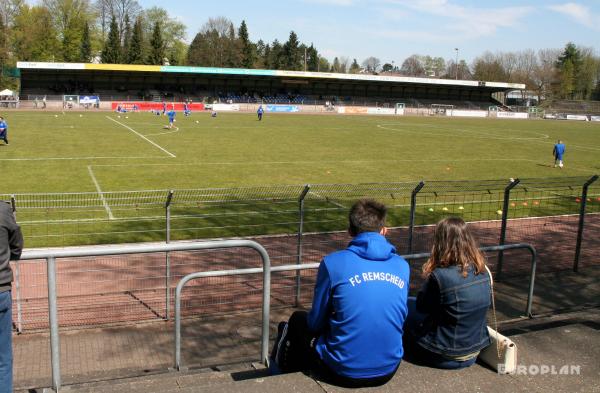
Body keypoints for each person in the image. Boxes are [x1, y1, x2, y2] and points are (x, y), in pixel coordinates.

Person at [271, 199, 410, 387]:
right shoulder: (402, 266)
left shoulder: (333, 263)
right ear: (384, 230)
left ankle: (277, 376)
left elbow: (315, 323)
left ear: (350, 231)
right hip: (389, 368)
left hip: (342, 370)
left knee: (296, 321)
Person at [403, 217, 490, 369]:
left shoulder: (440, 276)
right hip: (474, 351)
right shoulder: (483, 271)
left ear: (440, 242)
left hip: (442, 355)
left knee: (405, 307)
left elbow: (422, 307)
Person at [0, 201, 24, 393]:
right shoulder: (2, 209)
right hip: (0, 290)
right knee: (3, 358)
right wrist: (12, 255)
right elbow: (17, 243)